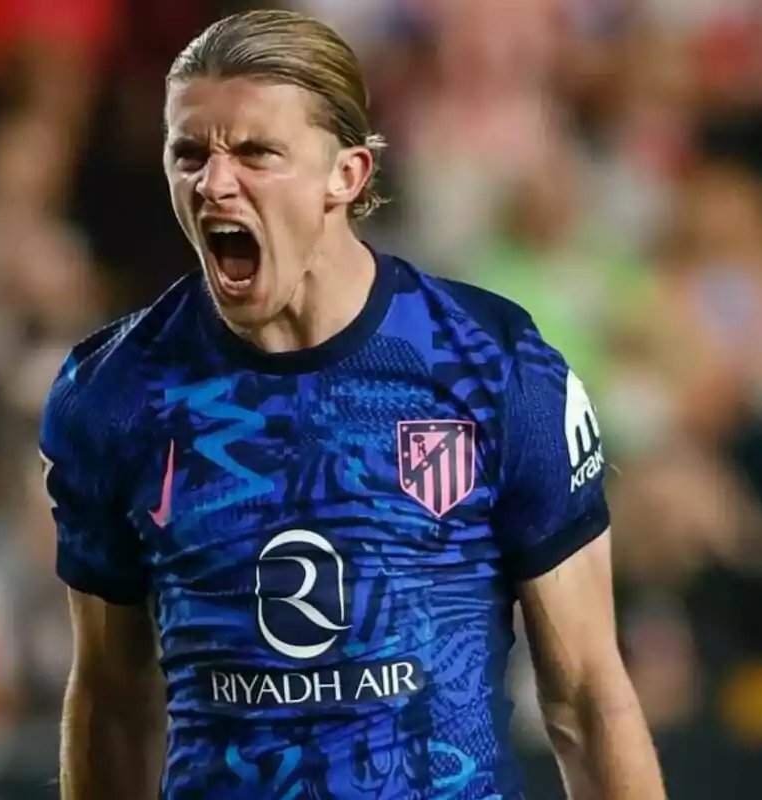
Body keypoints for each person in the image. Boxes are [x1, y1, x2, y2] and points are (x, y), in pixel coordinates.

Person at [39, 9, 666, 800]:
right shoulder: (115, 395)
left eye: (256, 153)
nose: (213, 182)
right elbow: (110, 701)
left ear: (348, 176)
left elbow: (585, 696)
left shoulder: (492, 367)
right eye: (189, 153)